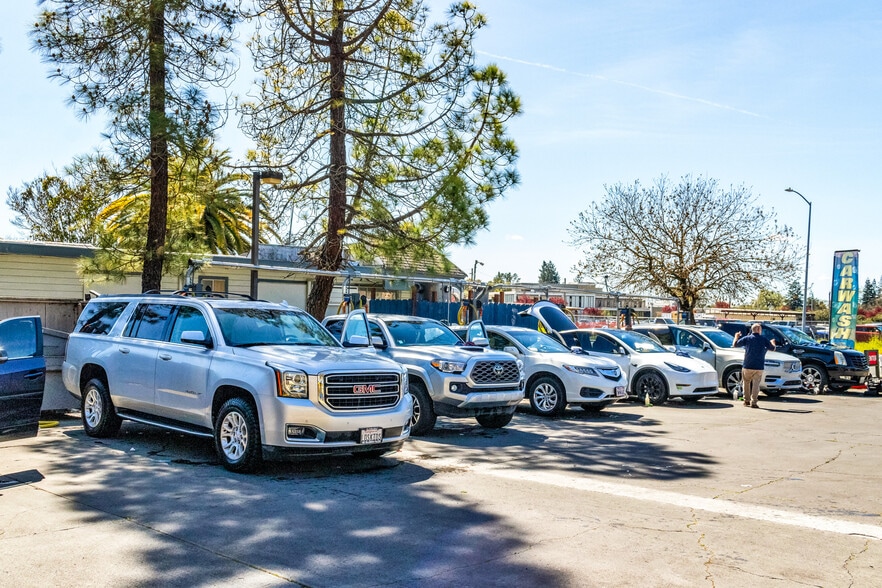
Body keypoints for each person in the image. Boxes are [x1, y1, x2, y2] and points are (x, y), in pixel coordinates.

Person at [733, 323, 776, 408]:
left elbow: (735, 344)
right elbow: (773, 348)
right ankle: (754, 402)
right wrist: (773, 343)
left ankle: (746, 400)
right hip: (759, 366)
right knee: (756, 384)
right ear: (759, 330)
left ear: (752, 330)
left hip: (747, 364)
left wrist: (736, 336)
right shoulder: (763, 339)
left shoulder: (747, 338)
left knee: (746, 383)